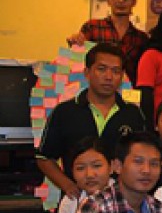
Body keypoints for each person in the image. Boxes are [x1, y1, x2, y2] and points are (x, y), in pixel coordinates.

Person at [37, 43, 146, 199]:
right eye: (101, 69)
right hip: (77, 201)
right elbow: (44, 158)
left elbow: (140, 158)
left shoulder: (133, 114)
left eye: (115, 71)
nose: (109, 77)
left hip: (120, 202)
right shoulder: (64, 112)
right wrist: (67, 185)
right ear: (87, 73)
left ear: (122, 76)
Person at [66, 0, 148, 84]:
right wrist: (75, 41)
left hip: (127, 96)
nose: (121, 1)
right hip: (97, 94)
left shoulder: (141, 38)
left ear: (134, 1)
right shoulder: (92, 27)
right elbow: (79, 59)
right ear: (108, 0)